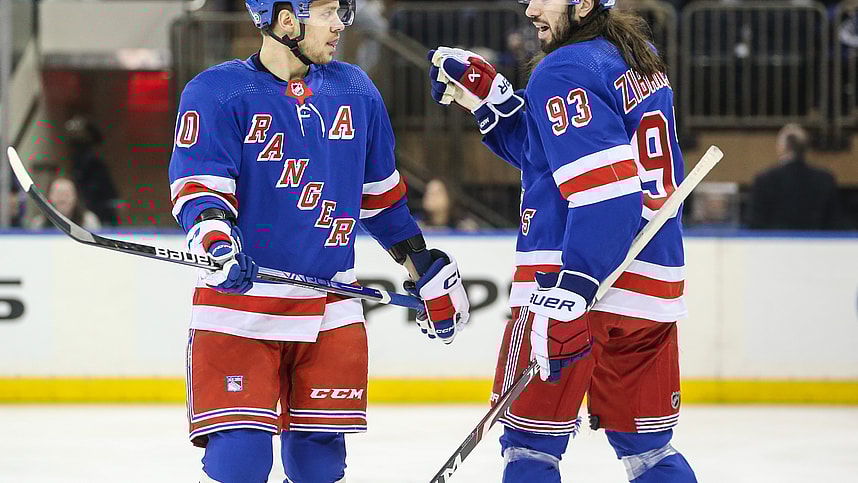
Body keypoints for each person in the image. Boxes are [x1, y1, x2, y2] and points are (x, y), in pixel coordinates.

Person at [168, 1, 471, 481]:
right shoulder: (216, 93)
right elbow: (200, 189)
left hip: (331, 306)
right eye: (328, 12)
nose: (339, 25)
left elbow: (382, 202)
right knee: (239, 464)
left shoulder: (356, 90)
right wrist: (218, 244)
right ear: (286, 19)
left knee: (317, 466)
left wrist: (422, 265)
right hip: (239, 306)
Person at [428, 0, 696, 481]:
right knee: (650, 453)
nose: (530, 8)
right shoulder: (635, 56)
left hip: (569, 280)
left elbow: (608, 194)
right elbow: (549, 154)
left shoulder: (564, 67)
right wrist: (491, 101)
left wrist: (577, 283)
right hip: (651, 285)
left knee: (530, 448)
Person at [749, 123, 839, 230]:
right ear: (805, 148)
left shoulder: (764, 180)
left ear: (781, 148)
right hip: (815, 244)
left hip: (774, 243)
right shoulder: (825, 179)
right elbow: (835, 222)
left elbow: (755, 222)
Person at [64, 115, 119, 225]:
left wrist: (112, 199)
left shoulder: (91, 159)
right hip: (89, 201)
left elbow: (103, 183)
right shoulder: (79, 156)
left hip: (96, 203)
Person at [31, 177, 101, 230]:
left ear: (75, 197)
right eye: (58, 194)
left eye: (67, 194)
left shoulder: (88, 221)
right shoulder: (39, 224)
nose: (62, 199)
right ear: (49, 197)